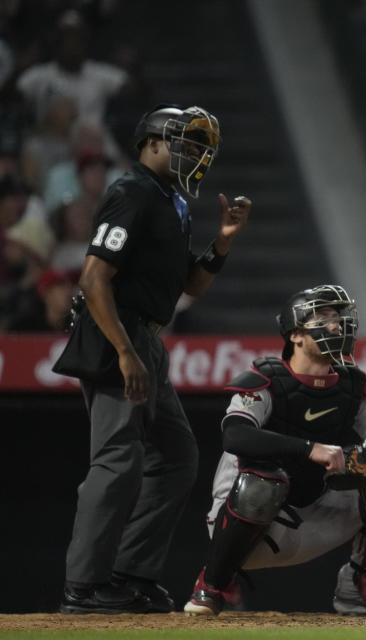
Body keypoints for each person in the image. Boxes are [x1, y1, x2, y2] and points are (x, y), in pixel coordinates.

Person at [54, 103, 250, 614]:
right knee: (118, 460)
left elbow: (190, 285)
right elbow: (93, 278)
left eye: (200, 147)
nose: (195, 155)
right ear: (152, 143)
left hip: (146, 339)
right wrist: (124, 351)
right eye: (185, 143)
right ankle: (84, 586)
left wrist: (223, 243)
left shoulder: (173, 201)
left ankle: (130, 575)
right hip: (115, 333)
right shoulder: (132, 191)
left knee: (177, 457)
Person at [184, 285, 366, 617]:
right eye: (323, 317)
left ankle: (361, 589)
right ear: (296, 334)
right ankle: (212, 585)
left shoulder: (353, 385)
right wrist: (310, 449)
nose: (336, 325)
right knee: (264, 481)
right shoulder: (266, 379)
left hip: (318, 514)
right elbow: (235, 436)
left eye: (338, 317)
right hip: (250, 523)